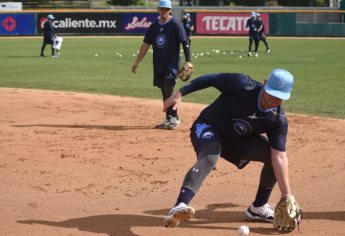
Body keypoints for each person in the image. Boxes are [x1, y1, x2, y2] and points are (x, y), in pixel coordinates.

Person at [162, 69, 300, 228]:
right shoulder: (242, 84)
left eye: (280, 97)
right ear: (265, 84)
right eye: (272, 93)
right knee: (210, 156)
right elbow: (210, 78)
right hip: (209, 127)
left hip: (237, 141)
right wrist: (179, 93)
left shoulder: (278, 120)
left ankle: (258, 208)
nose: (274, 99)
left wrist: (286, 194)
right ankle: (180, 205)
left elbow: (280, 157)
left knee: (272, 156)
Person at [131, 0, 191, 130]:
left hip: (172, 62)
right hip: (159, 63)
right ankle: (169, 118)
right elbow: (145, 45)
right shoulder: (154, 26)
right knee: (164, 89)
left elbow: (185, 41)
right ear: (158, 9)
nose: (163, 11)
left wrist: (188, 60)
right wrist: (137, 63)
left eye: (166, 9)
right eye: (161, 9)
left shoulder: (175, 24)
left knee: (168, 84)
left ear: (170, 10)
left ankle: (174, 116)